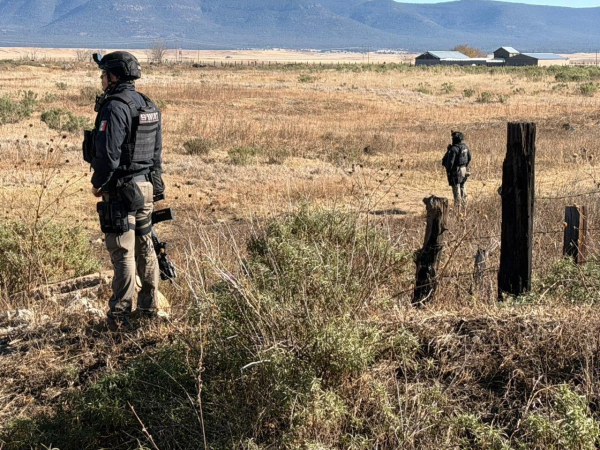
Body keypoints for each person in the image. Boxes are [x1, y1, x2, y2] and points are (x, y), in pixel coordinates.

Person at [84, 51, 164, 330]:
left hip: (121, 191)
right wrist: (156, 186)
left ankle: (120, 318)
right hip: (145, 187)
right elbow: (156, 153)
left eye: (103, 74)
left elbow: (109, 156)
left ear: (113, 76)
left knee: (123, 253)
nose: (101, 80)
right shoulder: (148, 104)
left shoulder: (115, 107)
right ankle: (149, 309)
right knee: (146, 247)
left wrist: (99, 183)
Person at [442, 130, 471, 208]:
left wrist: (449, 170)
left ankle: (458, 208)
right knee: (463, 187)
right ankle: (465, 206)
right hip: (464, 169)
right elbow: (469, 157)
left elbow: (450, 163)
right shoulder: (465, 147)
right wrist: (465, 166)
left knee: (456, 189)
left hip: (456, 171)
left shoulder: (453, 149)